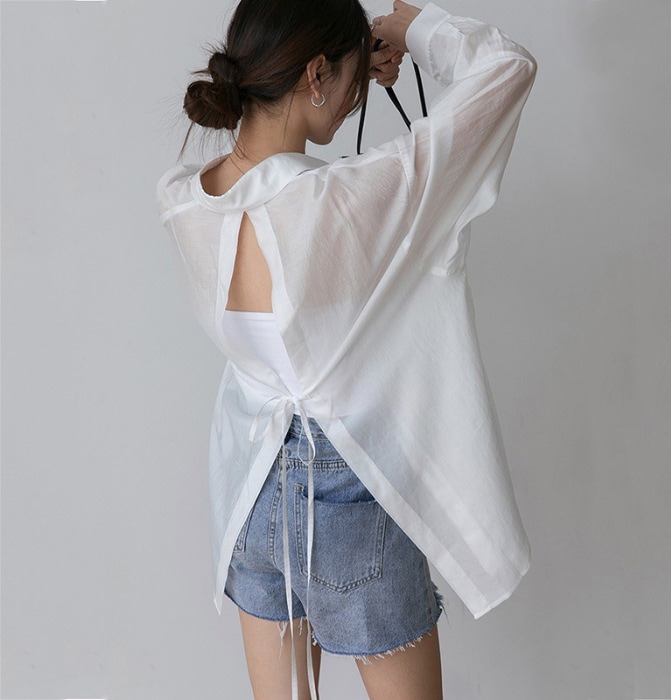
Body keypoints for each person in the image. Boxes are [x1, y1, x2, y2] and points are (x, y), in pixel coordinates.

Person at [156, 0, 537, 698]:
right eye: (351, 79)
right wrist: (414, 28)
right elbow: (507, 70)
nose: (356, 96)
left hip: (250, 494)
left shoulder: (183, 201)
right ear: (314, 74)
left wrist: (353, 57)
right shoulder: (351, 198)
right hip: (349, 490)